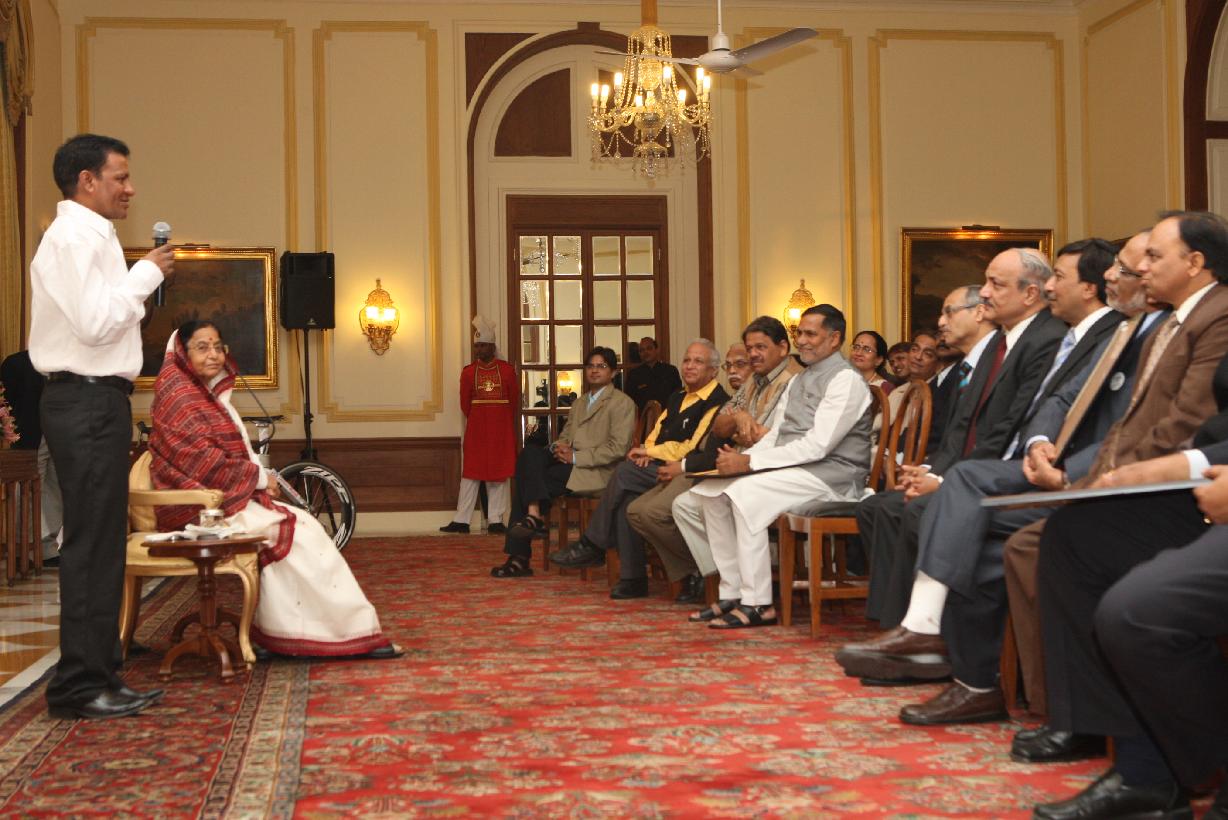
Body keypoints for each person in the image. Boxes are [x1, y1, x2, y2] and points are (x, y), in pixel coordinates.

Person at [836, 238, 1128, 724]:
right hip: (1031, 466)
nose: (986, 293)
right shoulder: (1044, 337)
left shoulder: (1096, 333)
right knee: (946, 517)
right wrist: (1034, 444)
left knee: (956, 504)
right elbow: (1041, 409)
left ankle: (931, 641)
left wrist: (1055, 466)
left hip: (1077, 480)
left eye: (1059, 277)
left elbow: (1114, 424)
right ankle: (955, 668)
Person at [29, 133, 174, 720]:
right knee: (91, 546)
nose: (130, 189)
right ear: (86, 181)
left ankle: (101, 675)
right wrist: (144, 276)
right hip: (83, 400)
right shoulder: (69, 239)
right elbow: (93, 324)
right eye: (120, 177)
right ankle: (79, 686)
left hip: (98, 402)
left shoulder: (95, 238)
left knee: (104, 543)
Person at [149, 321, 400, 660]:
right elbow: (203, 465)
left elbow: (230, 457)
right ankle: (327, 633)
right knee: (300, 533)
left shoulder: (204, 397)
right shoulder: (180, 399)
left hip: (220, 502)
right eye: (202, 347)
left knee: (306, 530)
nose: (213, 354)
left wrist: (259, 477)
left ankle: (301, 632)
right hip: (197, 512)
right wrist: (258, 480)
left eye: (218, 346)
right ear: (183, 353)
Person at [1002, 232, 1163, 725]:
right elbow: (1062, 397)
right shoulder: (1125, 328)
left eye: (1126, 269)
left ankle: (1074, 712)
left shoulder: (1177, 329)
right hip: (1083, 471)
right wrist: (1039, 444)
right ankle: (1045, 701)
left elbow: (1146, 428)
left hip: (1142, 485)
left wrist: (1072, 474)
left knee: (1038, 542)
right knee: (1000, 530)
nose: (1111, 275)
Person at [687, 304, 873, 628]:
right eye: (800, 333)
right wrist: (743, 461)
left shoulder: (846, 380)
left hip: (835, 477)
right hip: (798, 471)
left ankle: (758, 604)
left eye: (811, 334)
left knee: (744, 494)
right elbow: (778, 436)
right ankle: (732, 592)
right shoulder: (799, 380)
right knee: (710, 494)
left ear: (834, 339)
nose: (802, 341)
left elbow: (818, 445)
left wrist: (750, 463)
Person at [549, 340, 729, 600]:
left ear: (714, 370)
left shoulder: (717, 402)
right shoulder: (678, 396)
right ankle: (634, 579)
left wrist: (650, 453)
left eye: (698, 362)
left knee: (624, 473)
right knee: (627, 499)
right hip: (659, 465)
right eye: (687, 360)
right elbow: (656, 433)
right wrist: (647, 450)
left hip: (686, 470)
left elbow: (692, 447)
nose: (689, 366)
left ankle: (594, 544)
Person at [493, 346, 636, 577]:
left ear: (613, 372)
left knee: (526, 480)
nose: (595, 370)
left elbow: (618, 449)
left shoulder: (623, 403)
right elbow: (566, 435)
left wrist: (576, 457)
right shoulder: (580, 402)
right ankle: (533, 515)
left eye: (601, 366)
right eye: (590, 366)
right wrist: (557, 447)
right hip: (568, 463)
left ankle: (520, 556)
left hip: (596, 471)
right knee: (530, 454)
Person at [440, 316, 517, 535]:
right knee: (471, 474)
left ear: (492, 346)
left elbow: (513, 401)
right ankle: (461, 520)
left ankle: (495, 520)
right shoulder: (468, 372)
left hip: (500, 431)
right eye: (476, 346)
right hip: (476, 431)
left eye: (483, 345)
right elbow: (465, 404)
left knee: (498, 476)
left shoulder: (507, 371)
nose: (478, 350)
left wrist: (499, 421)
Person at [0, 350, 62, 563]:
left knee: (54, 491)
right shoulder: (16, 363)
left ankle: (47, 549)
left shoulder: (64, 363)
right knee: (25, 493)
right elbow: (5, 404)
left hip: (59, 435)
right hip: (29, 438)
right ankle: (23, 549)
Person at [624, 336, 682, 411]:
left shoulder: (671, 371)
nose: (645, 352)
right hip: (642, 417)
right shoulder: (633, 375)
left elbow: (678, 397)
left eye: (649, 348)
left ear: (657, 350)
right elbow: (629, 402)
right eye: (642, 350)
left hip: (668, 416)